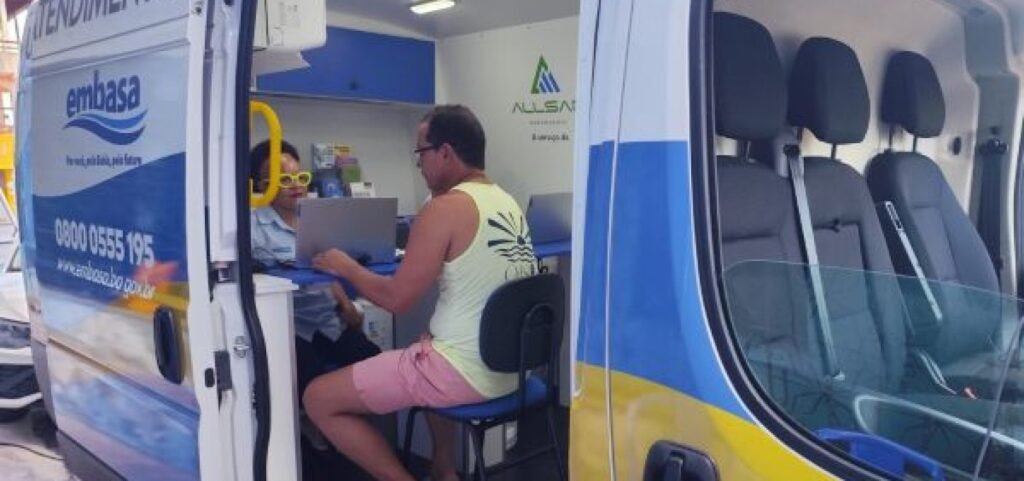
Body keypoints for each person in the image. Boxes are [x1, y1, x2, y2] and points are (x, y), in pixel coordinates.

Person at [303, 105, 537, 481]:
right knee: (425, 342)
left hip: (465, 373)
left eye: (420, 152)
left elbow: (397, 300)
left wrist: (345, 267)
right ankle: (444, 470)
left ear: (445, 152)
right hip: (512, 369)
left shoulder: (443, 208)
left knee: (317, 399)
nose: (418, 164)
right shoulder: (506, 201)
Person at [249, 139, 381, 396]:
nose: (296, 185)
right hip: (289, 330)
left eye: (300, 177)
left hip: (329, 322)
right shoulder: (252, 229)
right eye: (284, 179)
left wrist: (348, 307)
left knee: (376, 366)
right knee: (312, 386)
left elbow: (328, 272)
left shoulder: (317, 220)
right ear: (262, 186)